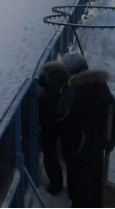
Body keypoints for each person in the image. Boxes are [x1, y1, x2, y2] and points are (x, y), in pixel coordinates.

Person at [58, 52, 115, 207]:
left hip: (79, 148)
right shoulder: (101, 86)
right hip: (96, 147)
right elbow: (111, 113)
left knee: (80, 187)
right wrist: (110, 141)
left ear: (70, 72)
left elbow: (63, 117)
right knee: (94, 183)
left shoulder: (76, 91)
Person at [37, 60, 69, 195]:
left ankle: (55, 185)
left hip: (51, 125)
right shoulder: (63, 83)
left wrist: (43, 97)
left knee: (50, 154)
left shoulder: (54, 89)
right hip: (58, 125)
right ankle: (58, 184)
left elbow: (52, 110)